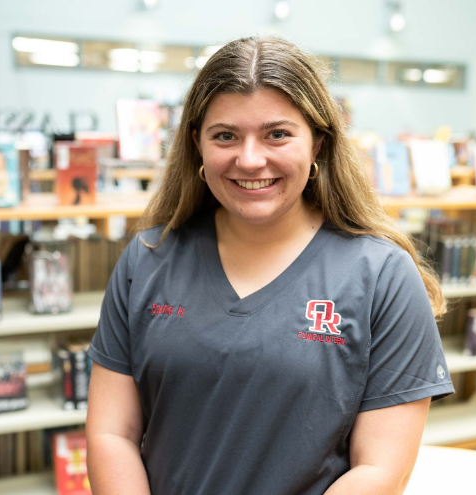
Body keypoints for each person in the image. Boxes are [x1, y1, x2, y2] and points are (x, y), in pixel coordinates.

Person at [86, 36, 454, 494]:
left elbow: (381, 470)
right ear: (197, 144)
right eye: (225, 135)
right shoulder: (147, 259)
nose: (250, 159)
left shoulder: (383, 275)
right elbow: (110, 435)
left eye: (277, 134)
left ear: (318, 142)